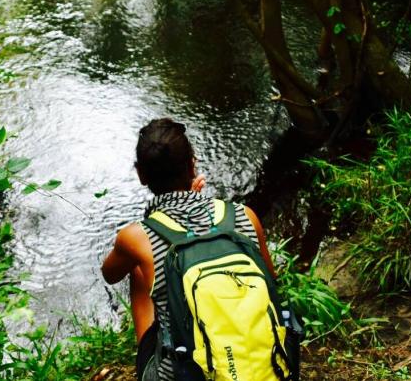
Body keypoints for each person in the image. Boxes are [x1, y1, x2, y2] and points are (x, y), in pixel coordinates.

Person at [101, 118, 280, 381]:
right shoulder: (244, 215)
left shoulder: (135, 237)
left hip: (186, 375)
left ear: (141, 175)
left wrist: (157, 219)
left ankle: (149, 361)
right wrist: (195, 202)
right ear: (192, 164)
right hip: (265, 366)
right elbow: (271, 280)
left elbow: (110, 274)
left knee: (139, 271)